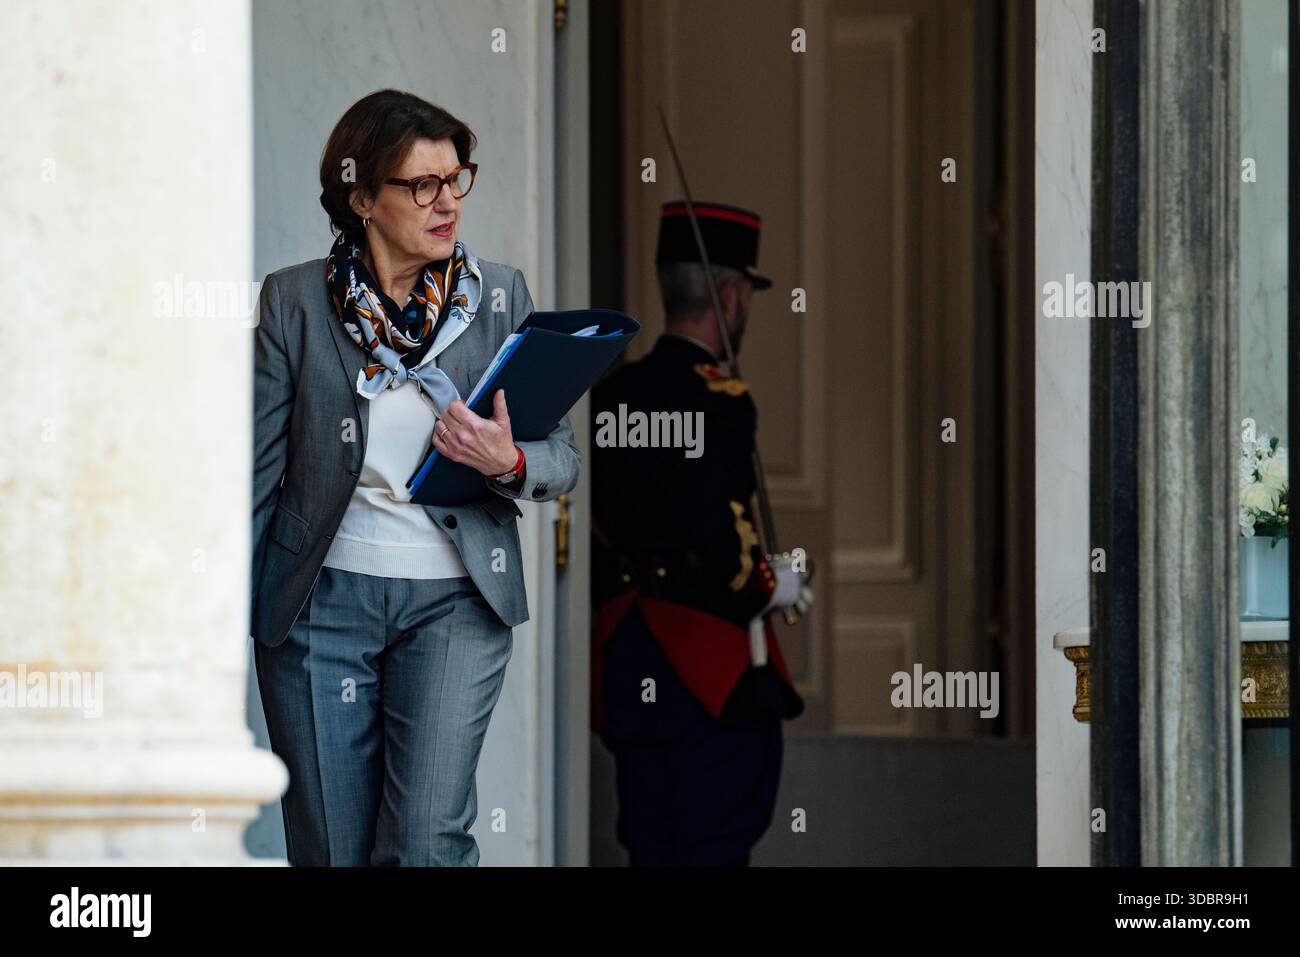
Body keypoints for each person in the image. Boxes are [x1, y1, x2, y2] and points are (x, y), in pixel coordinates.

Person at [250, 89, 579, 866]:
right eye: (421, 185)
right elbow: (255, 477)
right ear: (361, 196)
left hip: (457, 603)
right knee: (331, 846)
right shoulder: (294, 301)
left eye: (456, 179)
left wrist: (510, 459)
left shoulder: (498, 296)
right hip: (319, 608)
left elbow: (560, 457)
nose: (446, 202)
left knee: (426, 841)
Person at [591, 200, 810, 867]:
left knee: (650, 844)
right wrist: (772, 585)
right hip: (703, 669)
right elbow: (724, 537)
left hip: (631, 657)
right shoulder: (720, 398)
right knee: (716, 843)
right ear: (729, 295)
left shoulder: (612, 392)